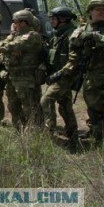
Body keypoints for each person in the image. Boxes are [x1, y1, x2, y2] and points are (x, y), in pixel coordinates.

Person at [51, 0, 104, 144]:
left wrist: (96, 37)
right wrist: (85, 36)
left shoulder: (94, 32)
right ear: (90, 12)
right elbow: (73, 42)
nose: (101, 12)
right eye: (97, 10)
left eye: (103, 9)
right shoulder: (83, 29)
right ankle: (96, 135)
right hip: (93, 77)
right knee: (93, 108)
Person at [0, 10, 44, 130]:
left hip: (26, 78)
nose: (14, 24)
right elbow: (2, 43)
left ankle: (35, 133)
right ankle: (19, 129)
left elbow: (18, 44)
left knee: (30, 107)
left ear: (24, 22)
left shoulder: (33, 35)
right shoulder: (14, 36)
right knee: (13, 106)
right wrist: (6, 48)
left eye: (16, 21)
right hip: (12, 77)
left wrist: (5, 49)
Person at [40, 7, 78, 142]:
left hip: (66, 76)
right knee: (65, 105)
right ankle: (72, 135)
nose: (51, 22)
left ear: (63, 20)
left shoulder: (71, 36)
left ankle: (49, 134)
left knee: (46, 99)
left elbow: (74, 62)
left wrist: (56, 75)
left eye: (53, 19)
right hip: (59, 75)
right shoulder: (58, 35)